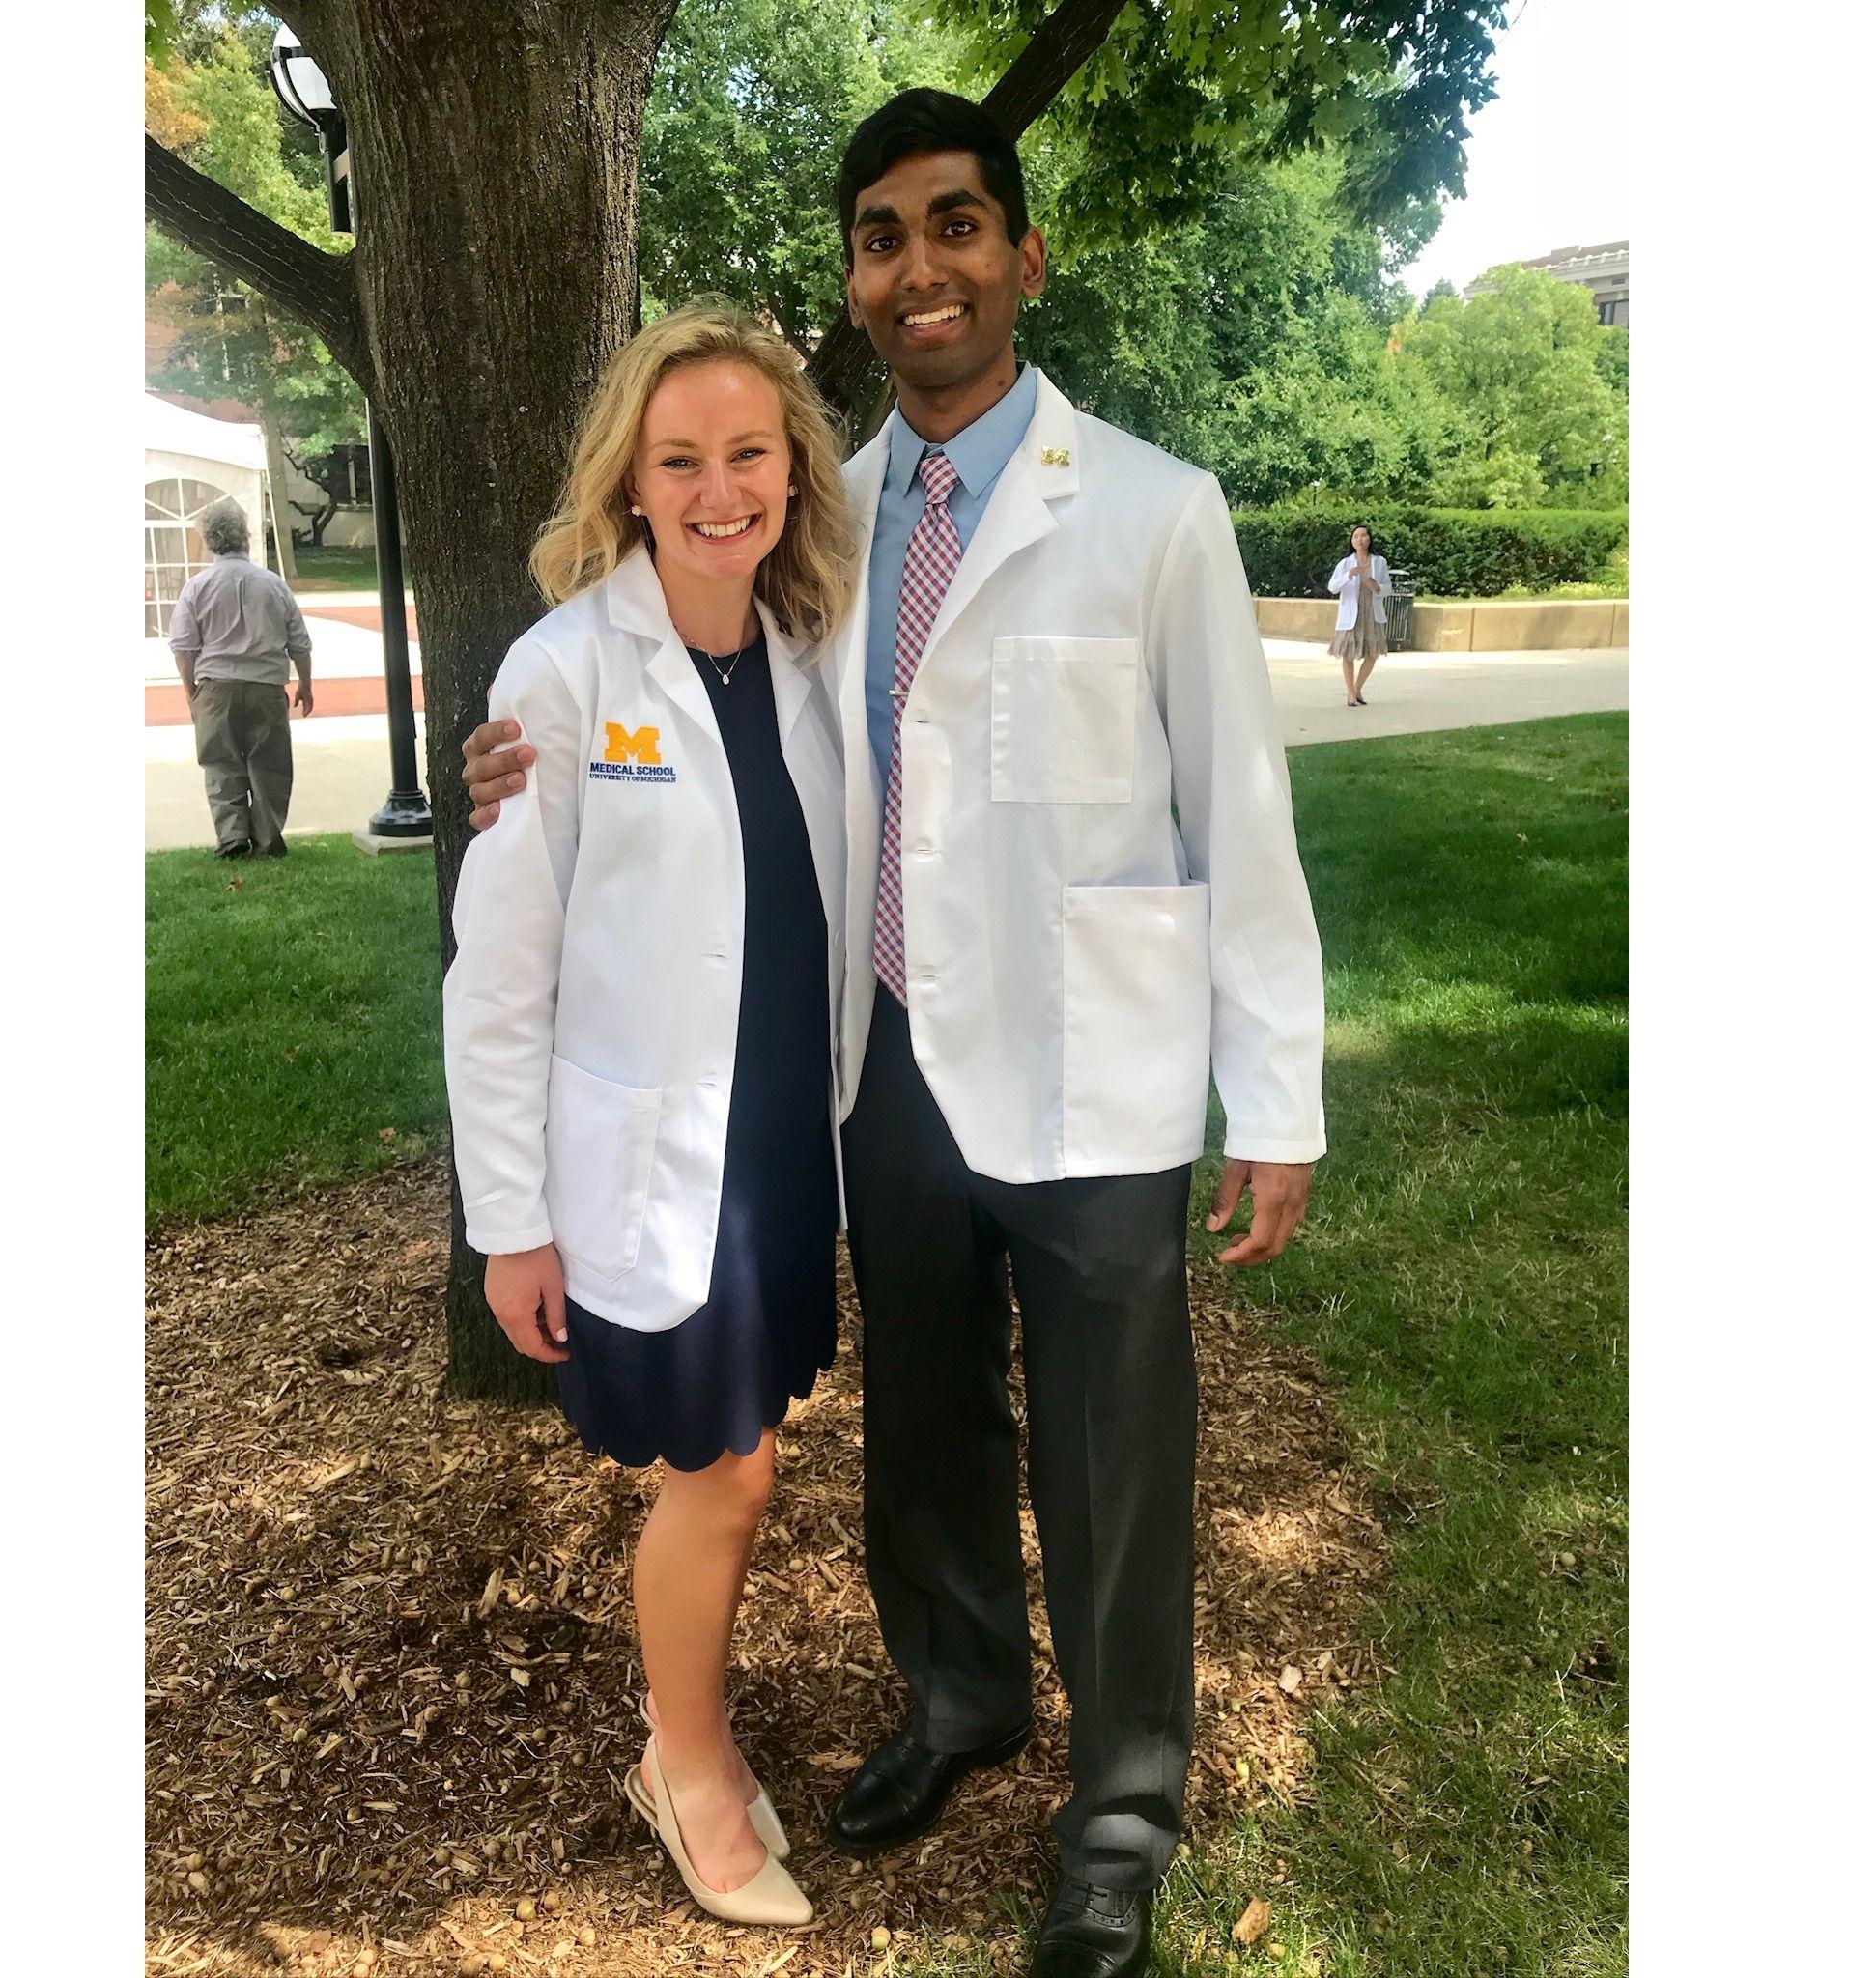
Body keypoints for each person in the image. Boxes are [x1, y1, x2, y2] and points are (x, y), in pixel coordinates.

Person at [462, 93, 1325, 1978]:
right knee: (924, 1420)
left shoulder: (1159, 515)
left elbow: (1241, 824)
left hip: (1095, 1072)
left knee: (1110, 1448)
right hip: (896, 1063)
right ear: (854, 282)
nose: (918, 264)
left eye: (955, 224)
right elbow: (673, 717)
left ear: (1021, 253)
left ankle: (1119, 1806)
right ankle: (957, 1700)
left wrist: (1272, 1092)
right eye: (880, 235)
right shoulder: (818, 536)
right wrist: (517, 759)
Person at [442, 304, 858, 1929]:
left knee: (742, 1458)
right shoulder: (558, 672)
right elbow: (497, 972)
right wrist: (510, 1220)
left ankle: (685, 1731)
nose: (715, 485)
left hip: (767, 1144)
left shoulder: (808, 650)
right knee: (726, 1476)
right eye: (677, 457)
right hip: (639, 1149)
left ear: (788, 468)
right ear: (630, 478)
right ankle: (683, 1760)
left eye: (746, 450)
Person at [167, 498, 314, 858]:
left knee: (220, 764)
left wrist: (191, 693)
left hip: (215, 687)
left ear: (209, 539)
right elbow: (299, 642)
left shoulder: (197, 587)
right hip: (265, 686)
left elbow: (183, 647)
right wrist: (305, 685)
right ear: (245, 537)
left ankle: (232, 837)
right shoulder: (272, 584)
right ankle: (266, 839)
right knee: (270, 766)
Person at [1326, 523, 1390, 706]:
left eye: (1363, 536)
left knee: (1372, 653)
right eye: (1356, 536)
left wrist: (1378, 588)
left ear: (1369, 539)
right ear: (1352, 541)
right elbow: (1332, 587)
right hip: (1350, 613)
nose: (1360, 540)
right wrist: (1347, 575)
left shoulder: (1379, 562)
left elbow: (1388, 587)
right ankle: (1350, 693)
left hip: (1371, 611)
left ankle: (1357, 687)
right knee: (1347, 653)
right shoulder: (1345, 563)